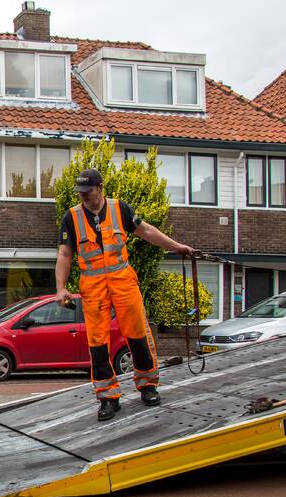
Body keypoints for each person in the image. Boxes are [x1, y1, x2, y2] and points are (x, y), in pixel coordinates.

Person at [55, 168, 195, 422]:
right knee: (97, 342)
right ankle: (108, 397)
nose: (83, 196)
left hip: (123, 280)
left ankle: (148, 385)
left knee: (137, 333)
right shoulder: (72, 217)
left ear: (100, 187)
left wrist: (177, 247)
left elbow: (147, 231)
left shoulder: (120, 209)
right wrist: (61, 288)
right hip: (93, 285)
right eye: (80, 193)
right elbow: (65, 254)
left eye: (88, 191)